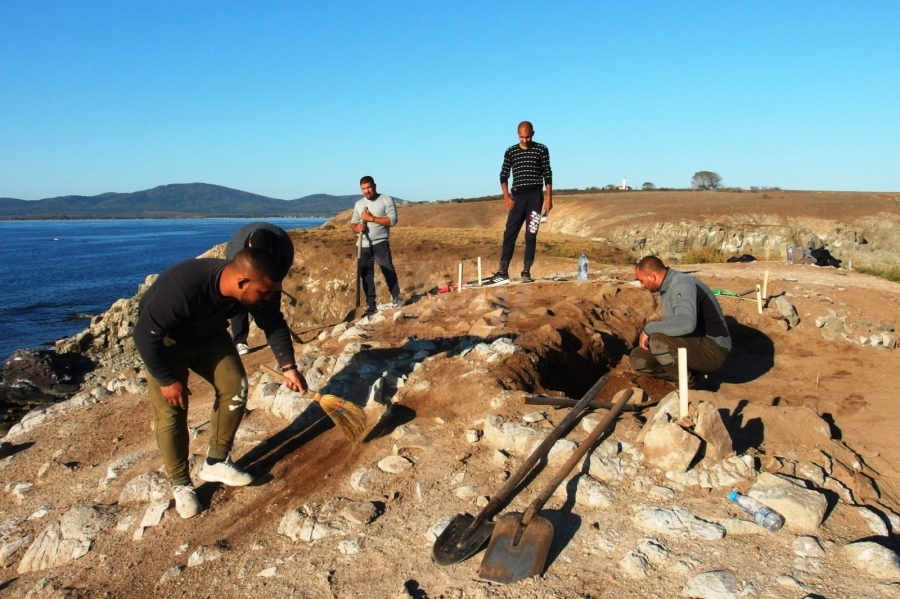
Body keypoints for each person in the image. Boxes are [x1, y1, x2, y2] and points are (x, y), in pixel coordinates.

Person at [133, 248, 307, 519]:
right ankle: (181, 484)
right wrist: (167, 380)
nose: (268, 298)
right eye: (263, 292)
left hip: (209, 336)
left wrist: (289, 367)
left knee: (235, 388)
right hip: (167, 344)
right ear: (242, 283)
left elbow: (273, 323)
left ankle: (216, 461)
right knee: (172, 411)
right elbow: (144, 334)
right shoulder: (184, 286)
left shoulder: (255, 290)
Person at [628, 256, 731, 389]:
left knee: (658, 341)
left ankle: (687, 387)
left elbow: (686, 323)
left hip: (714, 349)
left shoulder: (681, 285)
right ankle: (691, 375)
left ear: (652, 276)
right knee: (638, 359)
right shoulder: (667, 287)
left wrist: (649, 328)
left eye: (642, 281)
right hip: (693, 342)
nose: (642, 285)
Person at [483, 121, 553, 285]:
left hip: (535, 197)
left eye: (528, 136)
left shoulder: (542, 149)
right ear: (517, 134)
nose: (525, 140)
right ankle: (502, 271)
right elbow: (503, 175)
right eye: (522, 137)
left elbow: (547, 174)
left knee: (531, 235)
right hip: (517, 198)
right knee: (509, 234)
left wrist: (549, 197)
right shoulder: (511, 151)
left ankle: (526, 271)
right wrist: (506, 196)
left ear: (533, 134)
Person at [225, 223, 295, 355]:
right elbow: (234, 268)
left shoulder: (282, 243)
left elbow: (286, 260)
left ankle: (273, 337)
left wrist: (277, 280)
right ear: (250, 244)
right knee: (239, 304)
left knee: (272, 301)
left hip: (272, 270)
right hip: (244, 273)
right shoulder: (237, 245)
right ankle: (240, 341)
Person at [350, 176, 404, 316]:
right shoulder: (359, 204)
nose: (367, 191)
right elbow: (353, 223)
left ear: (374, 185)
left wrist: (371, 219)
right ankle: (371, 307)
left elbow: (392, 220)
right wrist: (357, 228)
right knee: (366, 276)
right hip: (363, 244)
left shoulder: (386, 199)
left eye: (369, 187)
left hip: (380, 242)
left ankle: (396, 297)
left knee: (388, 269)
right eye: (363, 189)